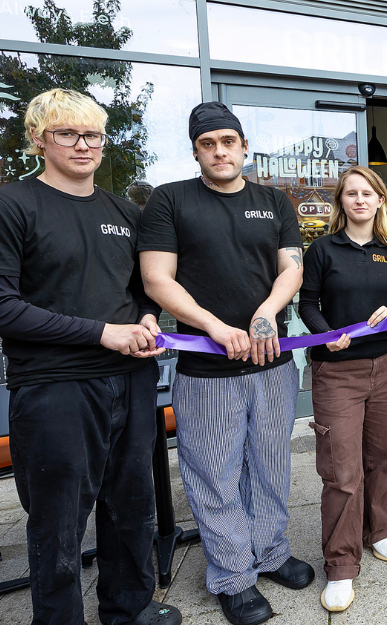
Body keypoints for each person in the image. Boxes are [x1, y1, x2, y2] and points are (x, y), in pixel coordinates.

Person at [0, 88, 181, 625]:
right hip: (54, 386)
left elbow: (148, 286)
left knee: (132, 506)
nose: (84, 146)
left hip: (131, 377)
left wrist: (150, 316)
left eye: (94, 135)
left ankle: (129, 608)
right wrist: (101, 332)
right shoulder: (5, 206)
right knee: (57, 523)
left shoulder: (125, 212)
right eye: (68, 134)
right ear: (38, 138)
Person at [137, 102, 312, 625]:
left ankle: (271, 552)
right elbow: (156, 280)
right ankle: (233, 576)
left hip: (273, 363)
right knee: (214, 474)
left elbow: (291, 269)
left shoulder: (273, 201)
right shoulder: (170, 201)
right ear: (196, 151)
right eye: (208, 144)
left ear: (243, 147)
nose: (220, 151)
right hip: (208, 372)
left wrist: (267, 311)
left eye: (228, 142)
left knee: (270, 465)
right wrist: (214, 326)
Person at [298, 166, 387, 612]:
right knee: (342, 470)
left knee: (384, 457)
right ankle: (341, 564)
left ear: (380, 200)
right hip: (337, 371)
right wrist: (325, 332)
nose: (360, 200)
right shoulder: (323, 249)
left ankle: (377, 531)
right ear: (340, 203)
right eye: (351, 194)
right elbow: (307, 302)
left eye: (368, 193)